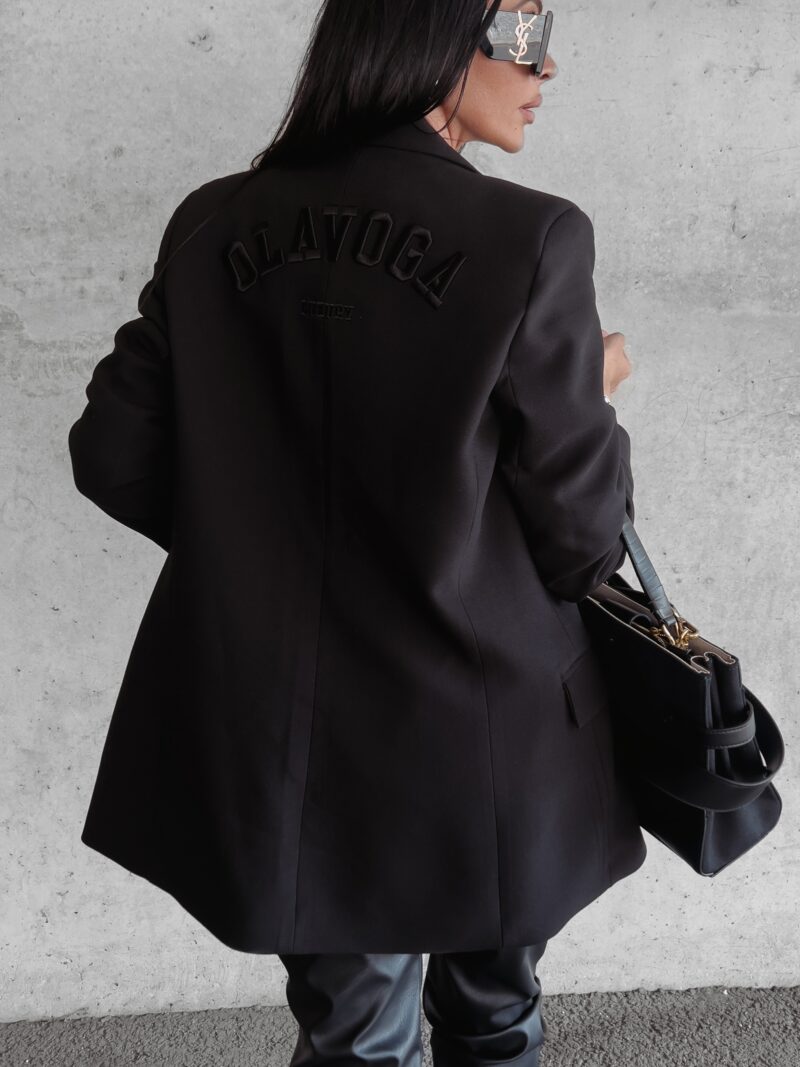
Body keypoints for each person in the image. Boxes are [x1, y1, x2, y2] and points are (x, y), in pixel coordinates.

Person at [68, 0, 644, 1063]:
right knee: (495, 1013)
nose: (545, 65)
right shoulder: (532, 236)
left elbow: (113, 454)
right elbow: (579, 540)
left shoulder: (212, 219)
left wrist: (258, 542)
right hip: (489, 721)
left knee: (356, 1036)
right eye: (522, 32)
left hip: (286, 723)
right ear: (431, 34)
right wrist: (592, 394)